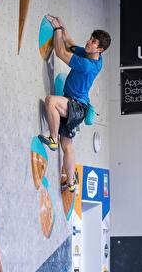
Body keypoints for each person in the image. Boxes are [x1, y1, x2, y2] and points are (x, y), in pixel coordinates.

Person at [38, 16, 111, 192]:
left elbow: (60, 52)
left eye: (93, 42)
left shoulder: (86, 65)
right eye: (90, 38)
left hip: (76, 107)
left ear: (99, 49)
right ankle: (71, 183)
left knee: (51, 101)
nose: (88, 41)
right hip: (79, 107)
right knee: (68, 145)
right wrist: (63, 27)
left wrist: (56, 31)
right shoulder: (92, 57)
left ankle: (53, 138)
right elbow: (70, 44)